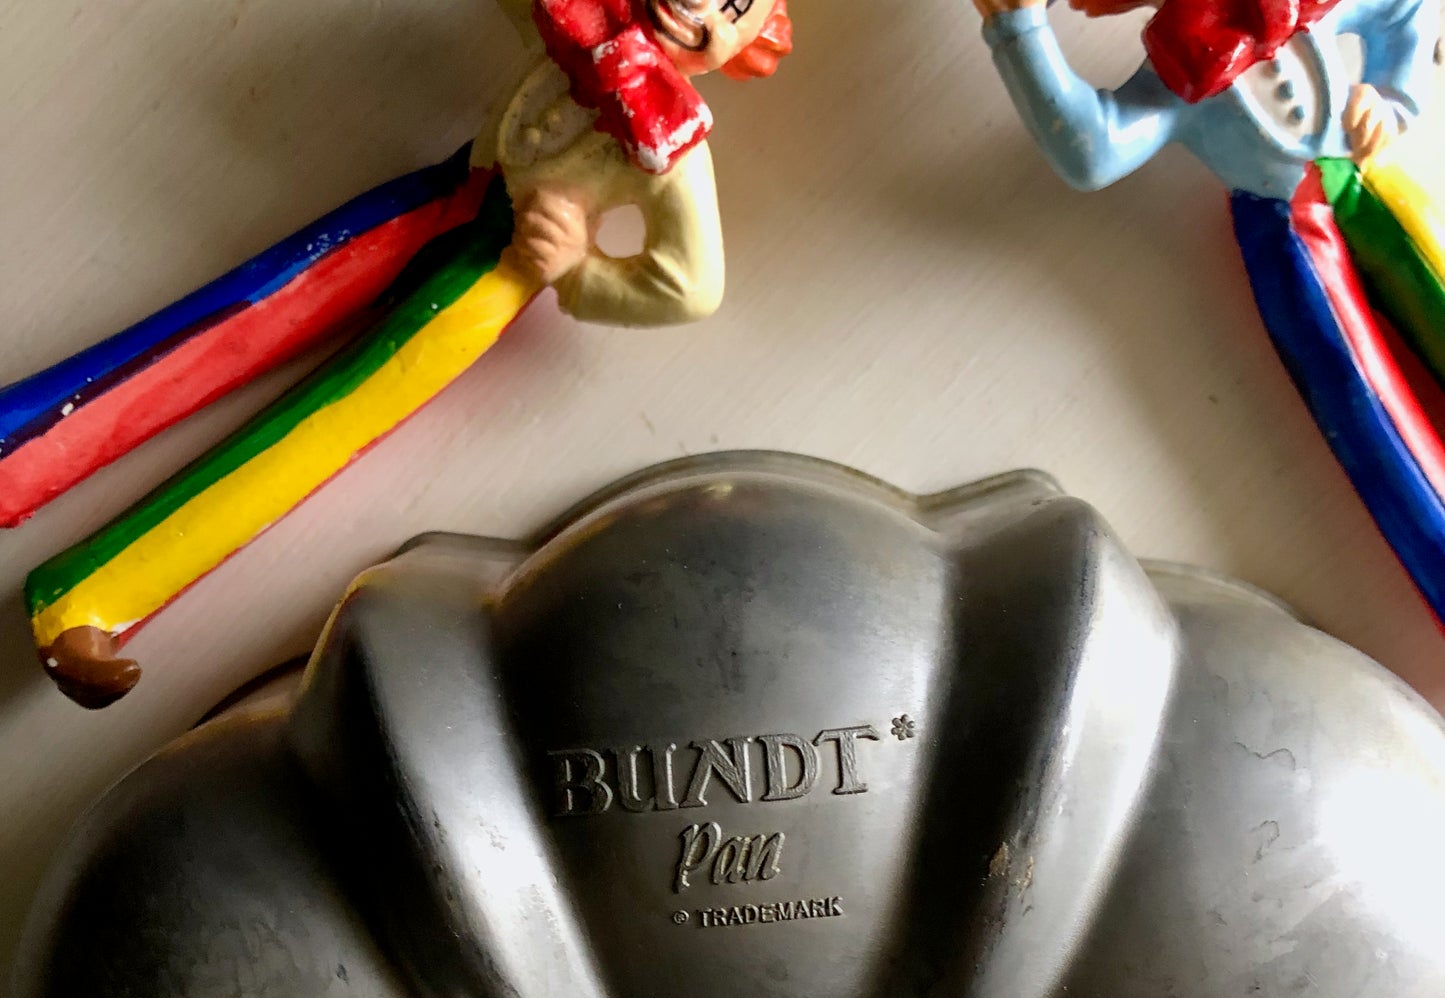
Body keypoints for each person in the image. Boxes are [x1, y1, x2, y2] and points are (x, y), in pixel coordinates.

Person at [5, 0, 791, 708]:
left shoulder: (675, 147)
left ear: (741, 50)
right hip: (433, 196)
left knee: (316, 432)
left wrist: (577, 271)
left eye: (730, 10)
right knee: (231, 318)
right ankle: (19, 445)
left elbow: (692, 287)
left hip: (496, 276)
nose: (697, 8)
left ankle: (89, 604)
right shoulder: (580, 25)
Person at [974, 0, 1445, 621]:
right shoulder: (1176, 78)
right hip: (1288, 236)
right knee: (1370, 415)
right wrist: (1020, 27)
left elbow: (1404, 12)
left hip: (1375, 186)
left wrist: (1392, 99)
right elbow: (1093, 151)